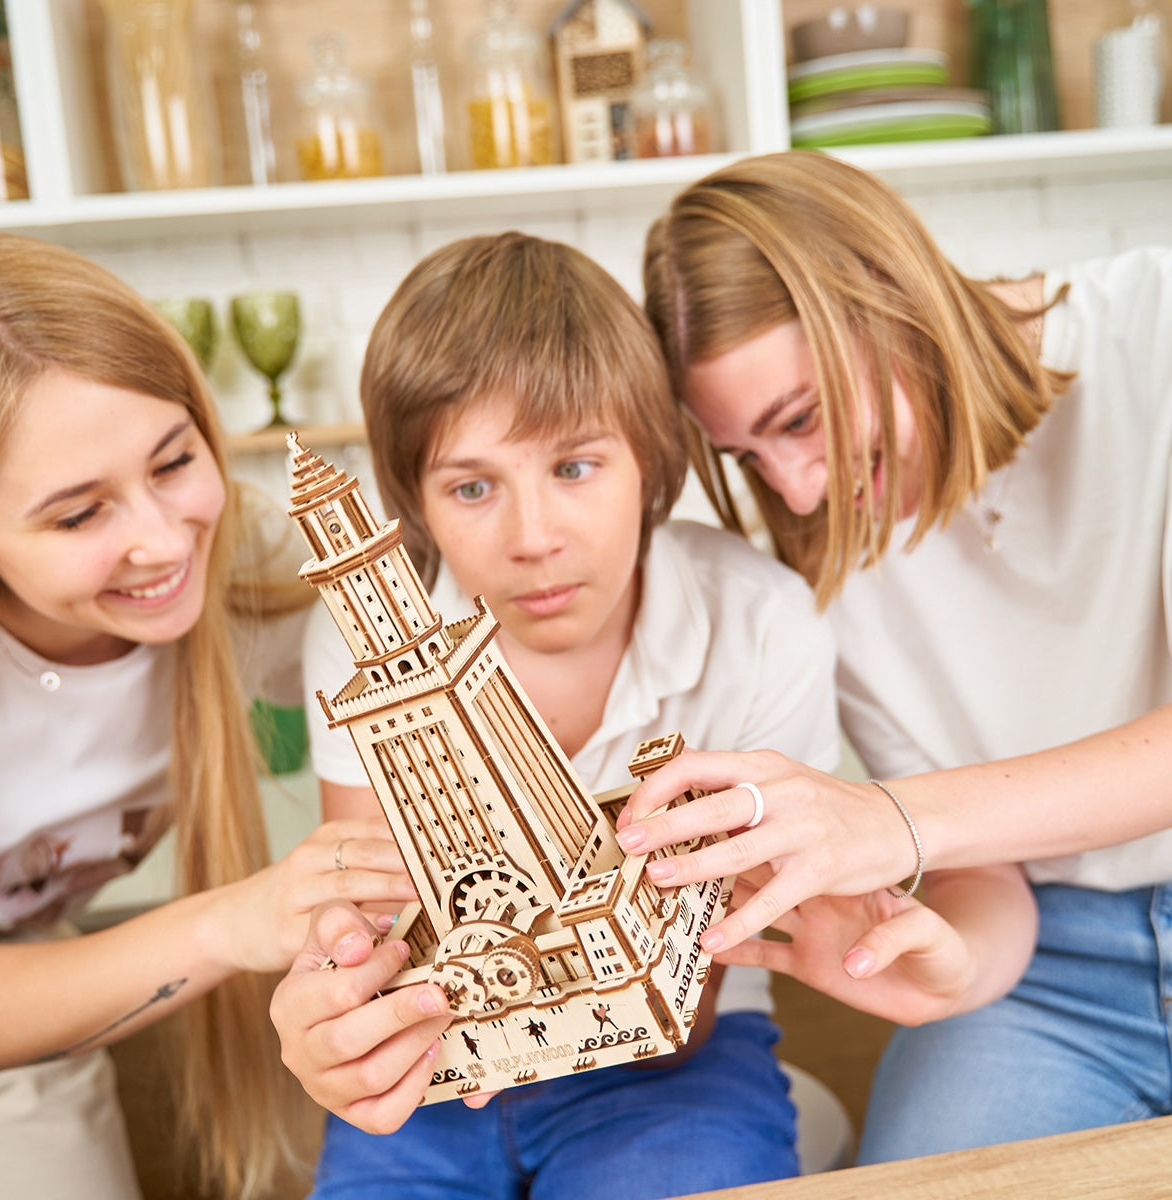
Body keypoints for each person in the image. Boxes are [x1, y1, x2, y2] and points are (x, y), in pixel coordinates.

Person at [271, 230, 1037, 1199]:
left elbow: (695, 987)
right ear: (416, 508)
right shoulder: (360, 644)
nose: (534, 539)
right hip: (435, 1074)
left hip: (677, 1067)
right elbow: (373, 922)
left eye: (577, 469)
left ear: (652, 461)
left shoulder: (758, 623)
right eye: (472, 487)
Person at [617, 148, 1172, 1160]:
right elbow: (988, 875)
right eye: (747, 455)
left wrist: (888, 821)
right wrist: (953, 964)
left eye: (802, 420)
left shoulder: (1155, 331)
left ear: (888, 297)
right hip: (1054, 969)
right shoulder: (819, 559)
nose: (795, 492)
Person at [0, 233, 415, 1200]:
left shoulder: (251, 571)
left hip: (41, 969)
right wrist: (226, 925)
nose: (165, 541)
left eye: (174, 462)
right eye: (78, 515)